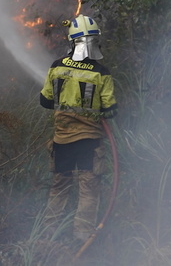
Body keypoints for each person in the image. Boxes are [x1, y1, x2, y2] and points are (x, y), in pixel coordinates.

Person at [39, 14, 117, 242]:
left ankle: (47, 236)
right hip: (89, 143)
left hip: (62, 142)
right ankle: (82, 239)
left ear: (72, 42)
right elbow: (111, 110)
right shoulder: (101, 73)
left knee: (59, 188)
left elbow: (45, 101)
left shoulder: (57, 67)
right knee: (89, 189)